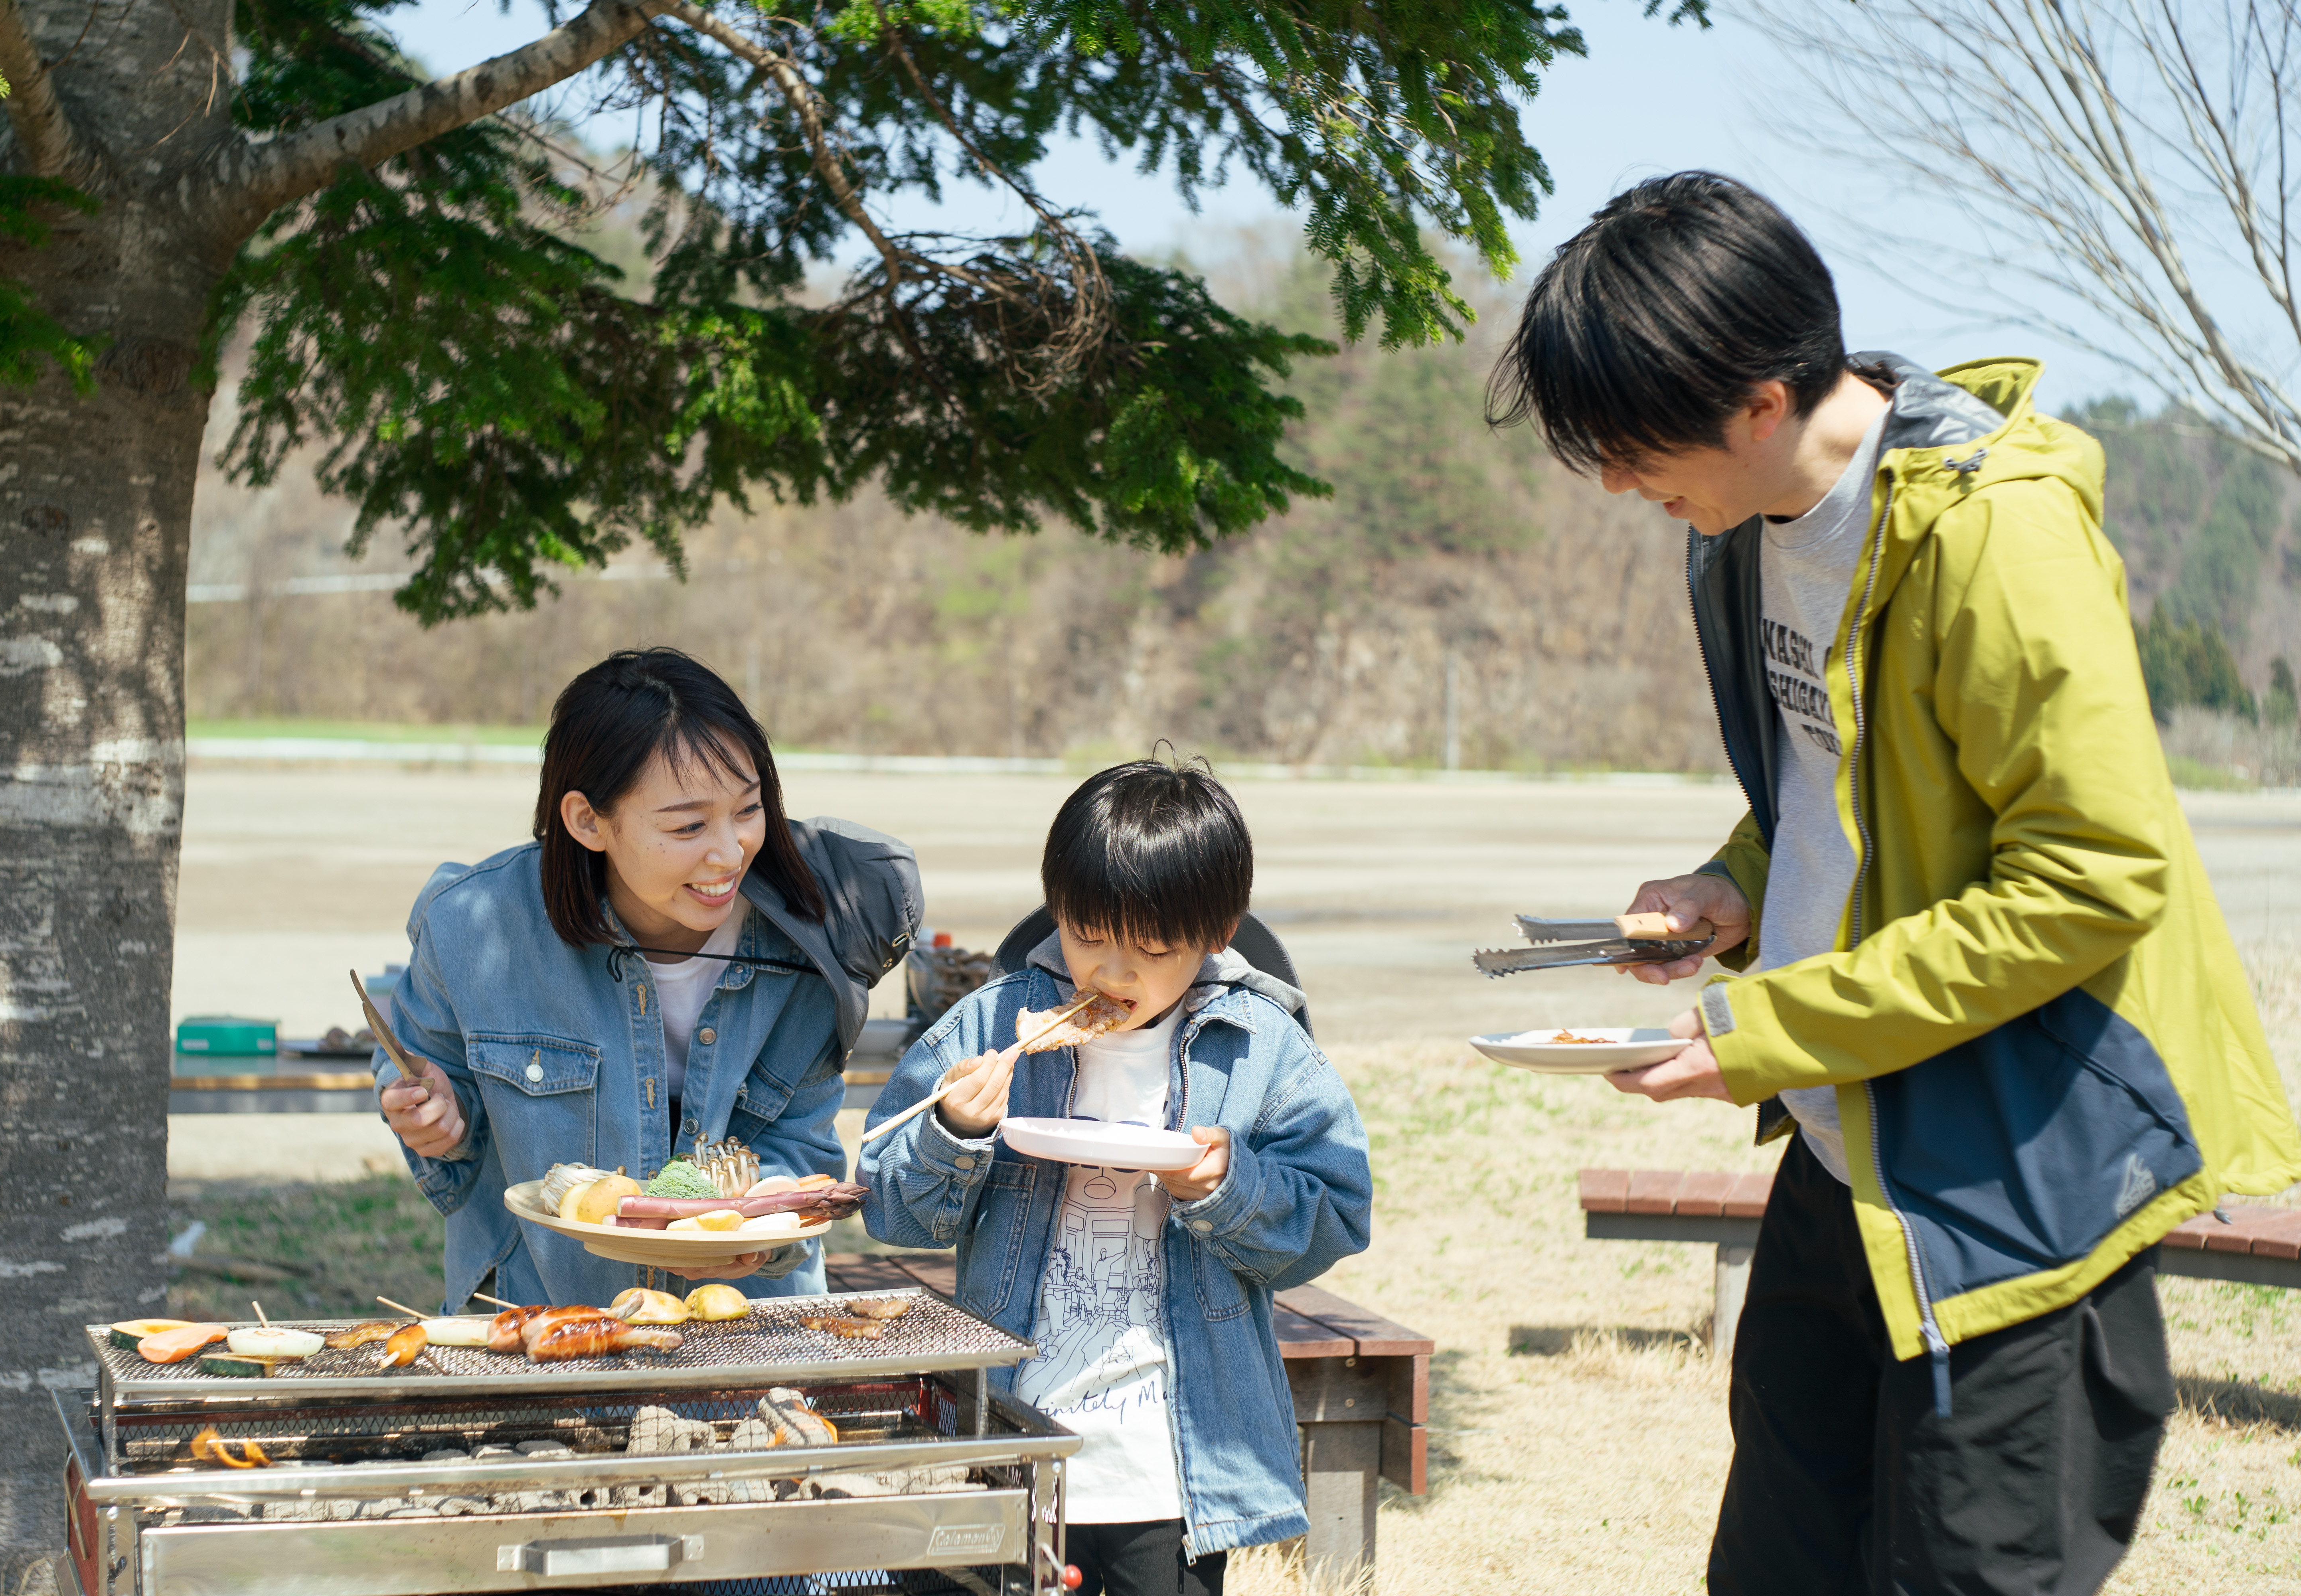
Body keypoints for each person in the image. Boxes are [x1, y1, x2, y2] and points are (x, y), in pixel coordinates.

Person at [1488, 172, 2301, 1595]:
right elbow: (1843, 777)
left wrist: (1764, 1033)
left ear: (1755, 399)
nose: (1621, 484)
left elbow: (2093, 876)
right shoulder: (1751, 533)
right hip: (1843, 1155)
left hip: (2015, 1172)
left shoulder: (1993, 529)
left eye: (1630, 445)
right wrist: (1736, 885)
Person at [859, 758, 1372, 1596]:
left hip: (1170, 1462)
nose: (1114, 973)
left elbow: (1339, 1213)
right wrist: (954, 1131)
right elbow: (889, 1204)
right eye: (1090, 933)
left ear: (1219, 932)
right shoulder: (991, 1022)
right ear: (1057, 907)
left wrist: (1225, 1188)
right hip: (1002, 1439)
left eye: (1154, 948)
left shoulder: (1261, 1042)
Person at [374, 648, 921, 1310]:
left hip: (745, 1330)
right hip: (541, 1318)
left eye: (748, 811)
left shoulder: (810, 939)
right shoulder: (472, 924)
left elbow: (799, 1146)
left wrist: (759, 1228)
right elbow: (425, 1076)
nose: (730, 853)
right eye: (688, 825)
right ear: (587, 821)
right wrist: (435, 1119)